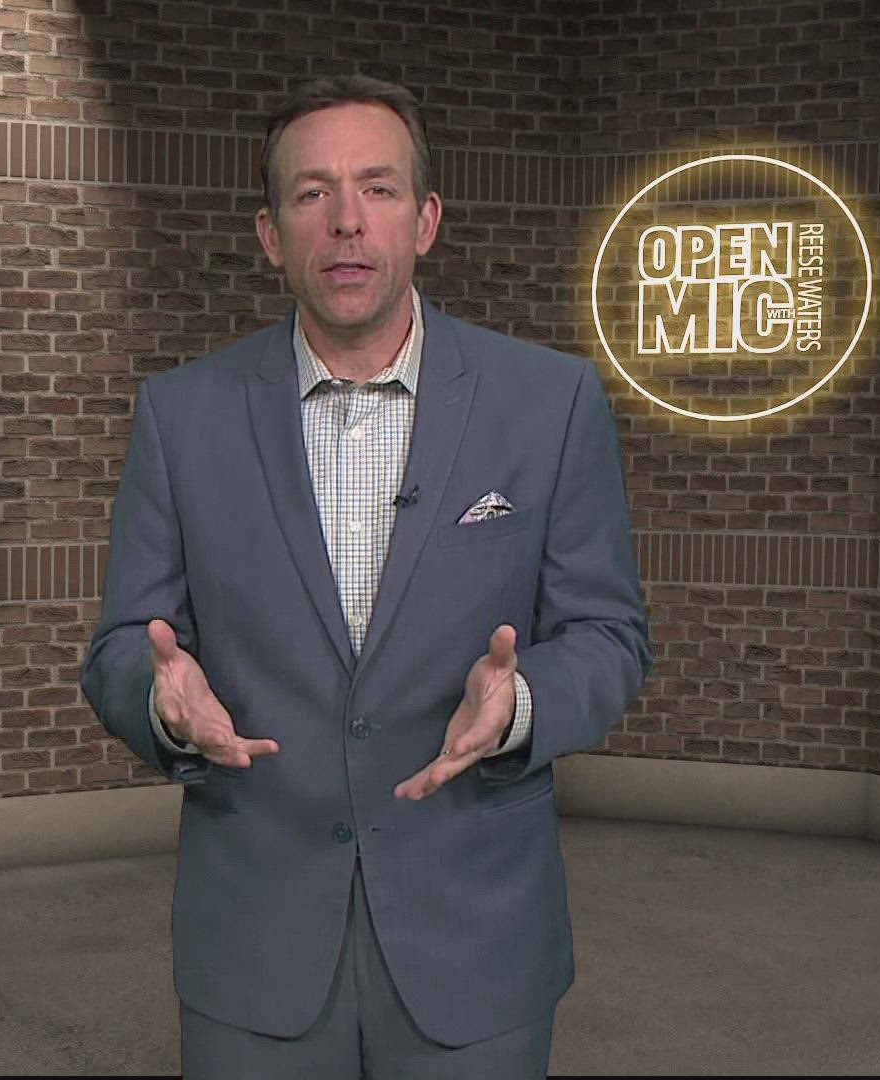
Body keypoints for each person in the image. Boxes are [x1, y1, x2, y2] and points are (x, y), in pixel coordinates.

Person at [79, 74, 653, 1079]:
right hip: (253, 945)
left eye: (378, 189)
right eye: (312, 193)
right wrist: (163, 700)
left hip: (477, 944)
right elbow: (125, 647)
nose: (347, 220)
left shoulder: (550, 402)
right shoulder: (183, 414)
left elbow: (609, 637)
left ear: (426, 219)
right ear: (270, 233)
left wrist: (521, 705)